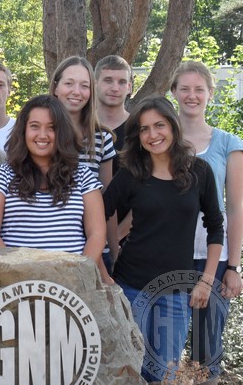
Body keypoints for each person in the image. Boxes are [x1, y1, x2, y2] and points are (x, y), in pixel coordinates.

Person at [103, 95, 224, 383]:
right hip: (131, 288)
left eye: (159, 125)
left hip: (175, 292)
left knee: (163, 374)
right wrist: (106, 258)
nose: (152, 135)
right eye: (144, 129)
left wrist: (206, 281)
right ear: (138, 135)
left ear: (172, 125)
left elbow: (216, 227)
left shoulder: (199, 171)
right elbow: (99, 212)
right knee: (128, 370)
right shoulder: (132, 173)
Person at [0, 95, 107, 275]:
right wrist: (22, 274)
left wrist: (80, 273)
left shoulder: (83, 175)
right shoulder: (2, 175)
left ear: (62, 132)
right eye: (34, 126)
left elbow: (97, 234)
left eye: (51, 128)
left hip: (73, 286)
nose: (42, 135)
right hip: (17, 284)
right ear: (23, 130)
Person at [171, 61, 243, 381]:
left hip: (214, 260)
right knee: (164, 352)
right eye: (184, 88)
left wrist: (233, 267)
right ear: (173, 92)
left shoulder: (228, 143)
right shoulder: (159, 141)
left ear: (210, 94)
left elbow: (237, 208)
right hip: (167, 257)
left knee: (206, 356)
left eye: (199, 89)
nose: (191, 95)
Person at [49, 56, 116, 275]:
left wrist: (114, 251)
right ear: (56, 87)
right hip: (48, 245)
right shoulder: (39, 135)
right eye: (69, 83)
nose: (76, 91)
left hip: (93, 250)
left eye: (84, 86)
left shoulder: (102, 138)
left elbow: (108, 199)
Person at [94, 54, 133, 267]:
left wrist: (115, 236)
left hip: (130, 241)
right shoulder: (80, 129)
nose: (115, 87)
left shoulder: (141, 130)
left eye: (121, 82)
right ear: (96, 83)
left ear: (129, 87)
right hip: (83, 240)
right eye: (108, 80)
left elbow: (152, 188)